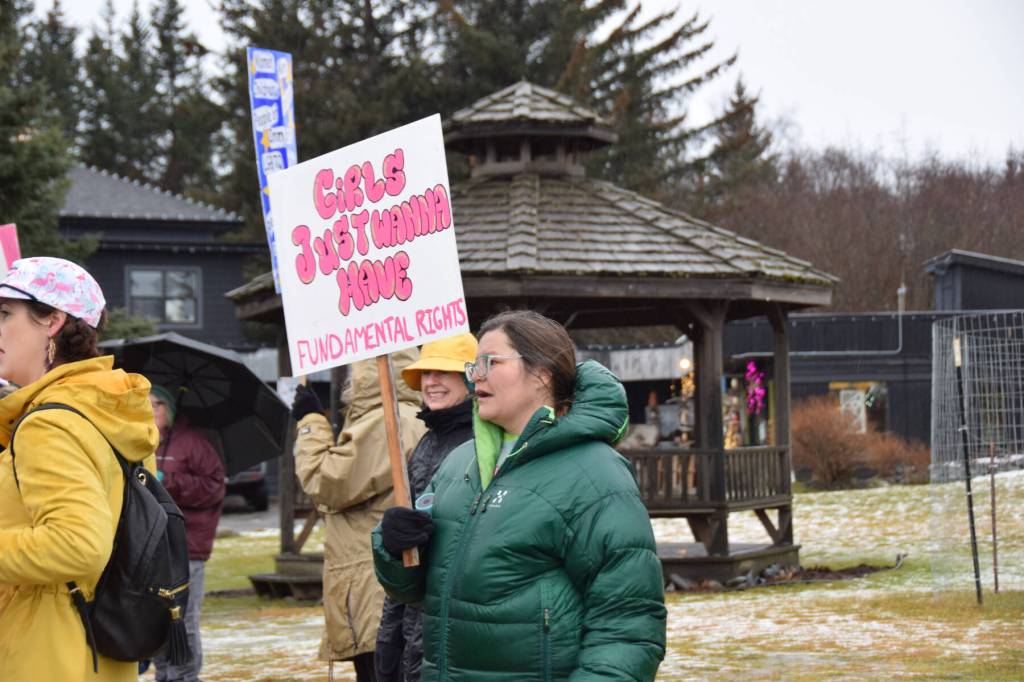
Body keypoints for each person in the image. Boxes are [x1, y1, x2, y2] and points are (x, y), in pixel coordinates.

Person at [373, 311, 667, 680]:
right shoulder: (458, 464)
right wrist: (393, 547)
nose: (476, 374)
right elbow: (413, 589)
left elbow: (628, 627)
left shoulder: (596, 475)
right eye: (474, 364)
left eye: (491, 362)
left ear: (542, 373)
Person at [0, 257, 160, 681]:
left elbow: (77, 544)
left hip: (46, 650)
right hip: (98, 645)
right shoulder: (106, 412)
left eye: (4, 314)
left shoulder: (50, 422)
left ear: (51, 320)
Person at [293, 348, 426, 681]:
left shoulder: (389, 420)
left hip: (372, 584)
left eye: (355, 374)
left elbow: (326, 482)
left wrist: (310, 423)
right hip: (371, 579)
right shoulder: (394, 416)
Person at [374, 333, 478, 682]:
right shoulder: (429, 438)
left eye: (442, 372)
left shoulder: (482, 440)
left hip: (453, 612)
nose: (430, 381)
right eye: (426, 373)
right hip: (414, 606)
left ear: (469, 376)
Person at [149, 383, 226, 682]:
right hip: (151, 549)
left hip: (186, 546)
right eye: (146, 404)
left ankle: (185, 675)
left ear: (171, 408)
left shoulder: (193, 443)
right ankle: (164, 674)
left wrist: (168, 481)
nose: (151, 410)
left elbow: (213, 487)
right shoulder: (143, 442)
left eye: (158, 404)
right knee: (154, 618)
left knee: (184, 619)